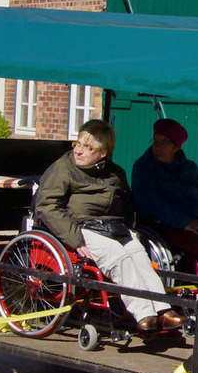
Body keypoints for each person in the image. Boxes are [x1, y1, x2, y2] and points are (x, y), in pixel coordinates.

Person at [34, 119, 181, 332]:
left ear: (103, 153)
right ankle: (143, 313)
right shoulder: (62, 169)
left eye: (88, 147)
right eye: (78, 144)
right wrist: (75, 238)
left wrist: (131, 230)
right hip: (78, 227)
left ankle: (162, 309)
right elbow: (47, 207)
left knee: (137, 252)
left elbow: (128, 204)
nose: (79, 151)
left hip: (112, 228)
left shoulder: (115, 173)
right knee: (117, 255)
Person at [131, 117, 198, 276]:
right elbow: (152, 202)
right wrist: (183, 222)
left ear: (176, 146)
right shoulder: (144, 168)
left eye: (164, 142)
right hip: (163, 223)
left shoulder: (189, 168)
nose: (158, 147)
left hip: (197, 218)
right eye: (156, 142)